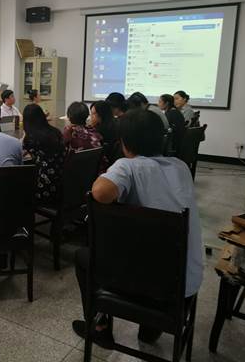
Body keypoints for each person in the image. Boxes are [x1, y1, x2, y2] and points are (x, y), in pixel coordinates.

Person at [72, 109, 203, 347]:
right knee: (156, 247)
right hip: (185, 283)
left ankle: (99, 328)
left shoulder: (128, 166)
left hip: (149, 286)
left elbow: (99, 193)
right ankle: (150, 328)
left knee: (84, 257)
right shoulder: (181, 166)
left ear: (125, 142)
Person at [23, 104, 65, 206]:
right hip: (62, 183)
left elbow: (22, 152)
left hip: (43, 187)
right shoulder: (56, 132)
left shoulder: (32, 137)